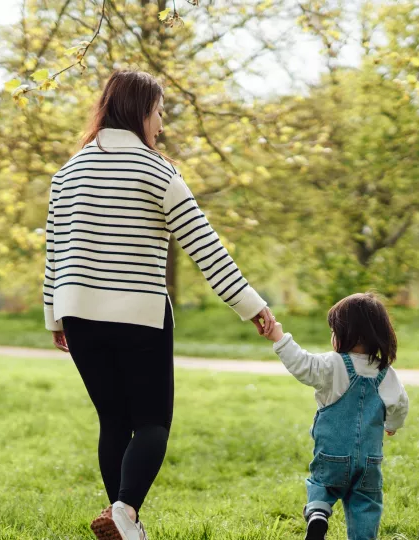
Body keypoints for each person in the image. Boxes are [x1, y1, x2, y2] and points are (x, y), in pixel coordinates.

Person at [43, 70, 275, 540]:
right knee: (151, 423)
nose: (161, 125)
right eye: (159, 112)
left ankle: (125, 522)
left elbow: (54, 251)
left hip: (79, 314)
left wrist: (54, 315)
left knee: (113, 420)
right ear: (139, 111)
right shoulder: (156, 170)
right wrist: (251, 305)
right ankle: (125, 511)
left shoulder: (66, 173)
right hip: (140, 316)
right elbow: (205, 247)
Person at [264, 292, 409, 540]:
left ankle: (319, 512)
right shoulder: (385, 372)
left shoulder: (332, 364)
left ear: (347, 334)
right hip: (369, 462)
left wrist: (278, 335)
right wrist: (392, 424)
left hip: (332, 455)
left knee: (322, 484)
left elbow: (302, 364)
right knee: (366, 504)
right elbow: (400, 404)